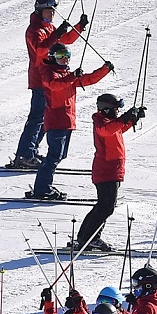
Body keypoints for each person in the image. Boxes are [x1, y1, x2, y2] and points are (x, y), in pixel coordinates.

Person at [29, 43, 113, 201]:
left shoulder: (67, 75)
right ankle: (42, 188)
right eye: (61, 56)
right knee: (54, 155)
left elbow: (88, 79)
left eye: (67, 56)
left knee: (59, 155)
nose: (65, 59)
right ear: (53, 57)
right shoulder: (49, 73)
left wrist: (104, 70)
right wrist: (72, 76)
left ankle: (44, 186)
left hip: (67, 121)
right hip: (56, 121)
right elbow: (54, 85)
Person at [10, 0, 86, 170]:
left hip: (51, 77)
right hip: (40, 79)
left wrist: (79, 26)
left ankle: (31, 151)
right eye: (48, 11)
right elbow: (41, 49)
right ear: (39, 11)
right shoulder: (34, 30)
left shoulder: (48, 27)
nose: (52, 14)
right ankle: (25, 155)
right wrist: (57, 34)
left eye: (53, 12)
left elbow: (66, 40)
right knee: (37, 117)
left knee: (45, 118)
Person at [71, 93, 145, 252]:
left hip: (112, 170)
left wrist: (132, 119)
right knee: (106, 207)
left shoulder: (109, 122)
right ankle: (90, 238)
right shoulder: (101, 122)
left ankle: (85, 236)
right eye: (116, 109)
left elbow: (118, 129)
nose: (117, 112)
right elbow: (107, 130)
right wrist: (124, 117)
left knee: (103, 205)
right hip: (106, 170)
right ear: (106, 110)